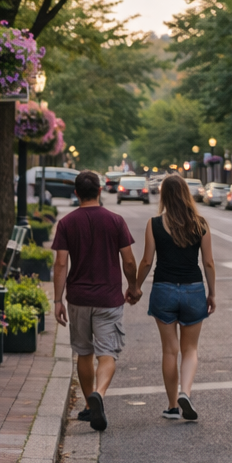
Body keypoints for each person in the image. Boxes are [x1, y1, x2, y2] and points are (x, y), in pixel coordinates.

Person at [52, 170, 140, 431]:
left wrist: (57, 300)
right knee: (107, 353)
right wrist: (133, 286)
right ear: (100, 191)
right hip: (108, 298)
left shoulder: (67, 223)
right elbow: (129, 260)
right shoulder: (115, 221)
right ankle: (99, 393)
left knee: (83, 351)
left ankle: (90, 405)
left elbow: (60, 263)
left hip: (78, 298)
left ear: (76, 192)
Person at [133, 174, 215, 421]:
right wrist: (212, 293)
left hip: (163, 290)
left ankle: (172, 406)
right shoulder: (200, 223)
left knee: (170, 351)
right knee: (190, 349)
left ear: (164, 196)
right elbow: (208, 263)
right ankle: (185, 392)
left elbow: (147, 261)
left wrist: (135, 287)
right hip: (193, 290)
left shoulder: (154, 223)